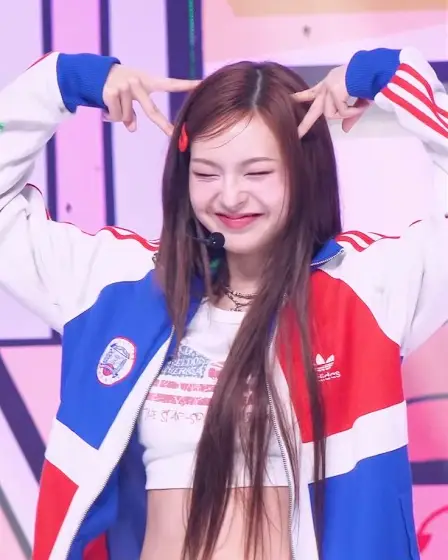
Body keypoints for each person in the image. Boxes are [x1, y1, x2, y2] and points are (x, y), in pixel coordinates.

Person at [0, 45, 446, 560]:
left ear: (304, 171)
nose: (230, 197)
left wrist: (386, 74)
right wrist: (65, 81)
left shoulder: (367, 287)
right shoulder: (118, 283)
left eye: (257, 173)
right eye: (207, 174)